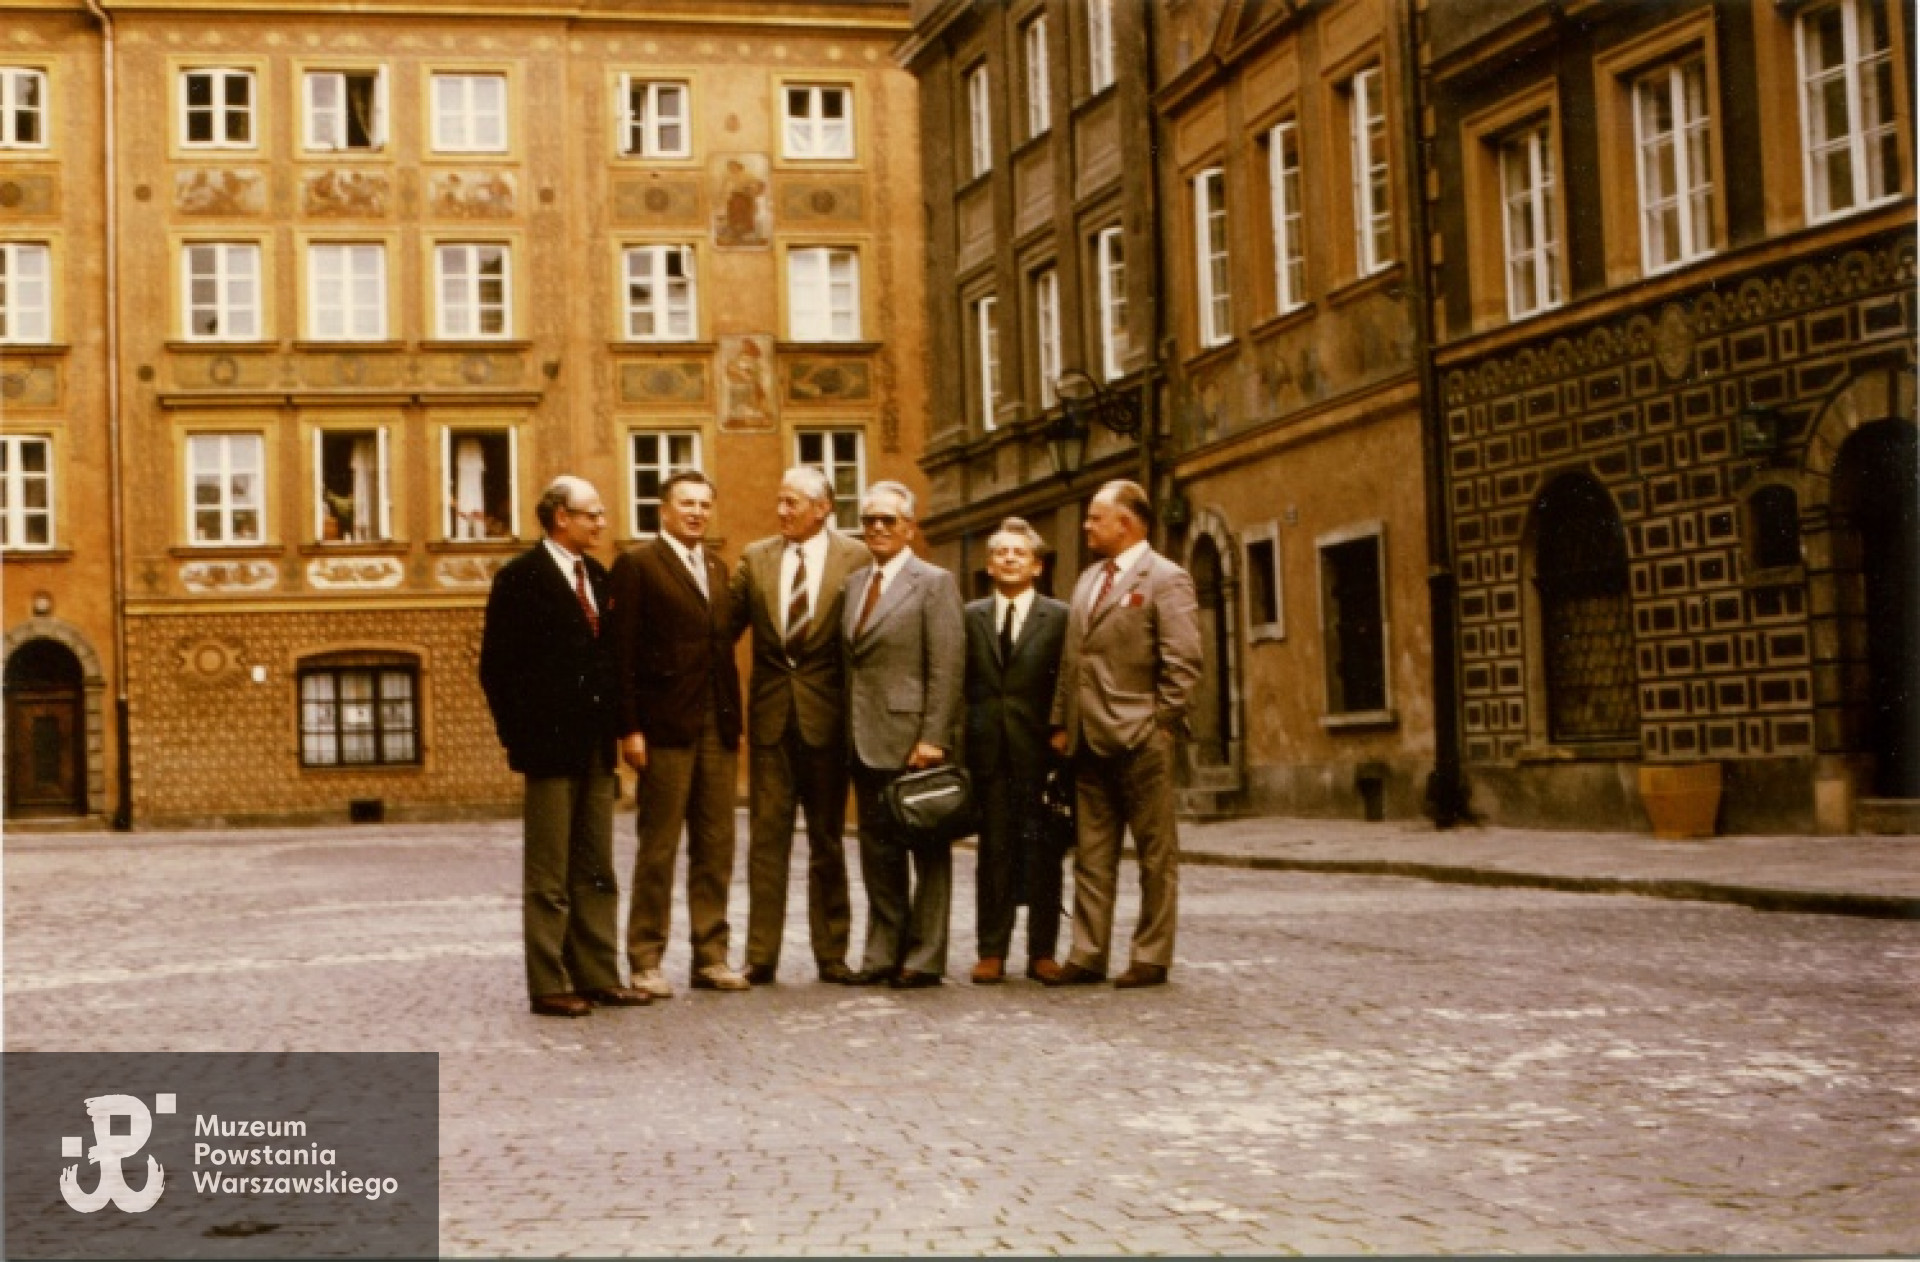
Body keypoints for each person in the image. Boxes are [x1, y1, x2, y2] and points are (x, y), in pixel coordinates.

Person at [479, 476, 651, 1018]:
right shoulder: (520, 579)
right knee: (549, 873)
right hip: (548, 749)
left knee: (596, 867)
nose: (602, 523)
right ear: (560, 518)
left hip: (595, 748)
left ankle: (598, 972)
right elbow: (496, 670)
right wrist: (520, 739)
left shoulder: (596, 576)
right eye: (592, 514)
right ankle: (549, 980)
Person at [1048, 480, 1204, 989]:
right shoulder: (1088, 579)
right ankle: (1087, 954)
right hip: (1088, 738)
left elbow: (1183, 661)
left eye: (1096, 517)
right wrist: (1061, 723)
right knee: (1092, 856)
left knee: (1155, 853)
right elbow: (1073, 660)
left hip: (1141, 738)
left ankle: (1151, 954)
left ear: (1128, 523)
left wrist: (1160, 721)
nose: (1087, 525)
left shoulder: (1166, 579)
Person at [605, 469, 750, 996]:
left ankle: (711, 956)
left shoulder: (715, 566)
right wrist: (630, 729)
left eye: (704, 505)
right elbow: (620, 656)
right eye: (686, 504)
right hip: (663, 728)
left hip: (717, 723)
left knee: (716, 846)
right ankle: (645, 958)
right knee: (659, 848)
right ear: (663, 510)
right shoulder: (638, 565)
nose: (696, 513)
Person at [730, 466, 870, 985]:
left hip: (828, 721)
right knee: (766, 841)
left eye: (793, 502)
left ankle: (831, 952)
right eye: (779, 501)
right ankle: (760, 955)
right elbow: (721, 628)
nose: (782, 511)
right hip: (770, 721)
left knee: (828, 840)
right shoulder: (755, 557)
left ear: (823, 508)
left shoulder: (855, 558)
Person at [842, 481, 966, 988]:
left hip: (914, 739)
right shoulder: (854, 584)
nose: (876, 528)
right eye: (869, 519)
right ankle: (882, 951)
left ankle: (925, 956)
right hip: (864, 737)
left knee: (927, 848)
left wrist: (934, 735)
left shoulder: (933, 583)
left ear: (909, 528)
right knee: (877, 851)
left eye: (888, 520)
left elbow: (948, 664)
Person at [962, 518, 1069, 984]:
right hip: (987, 751)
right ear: (989, 565)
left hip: (1040, 752)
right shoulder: (970, 617)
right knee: (994, 853)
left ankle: (1042, 950)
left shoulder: (1059, 617)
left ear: (1037, 566)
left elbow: (1068, 678)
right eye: (1001, 553)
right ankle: (992, 950)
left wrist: (1062, 731)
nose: (1008, 559)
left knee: (1044, 852)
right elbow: (959, 680)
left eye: (1018, 553)